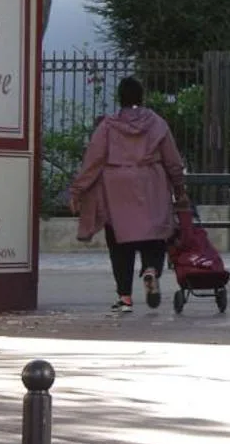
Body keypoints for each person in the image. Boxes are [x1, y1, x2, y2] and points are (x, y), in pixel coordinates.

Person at [73, 76, 189, 312]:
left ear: (120, 98)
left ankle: (125, 297)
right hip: (151, 183)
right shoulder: (157, 123)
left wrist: (78, 190)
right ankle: (151, 270)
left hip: (117, 187)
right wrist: (179, 189)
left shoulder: (108, 126)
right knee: (155, 237)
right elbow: (173, 160)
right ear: (141, 96)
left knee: (119, 244)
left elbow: (93, 160)